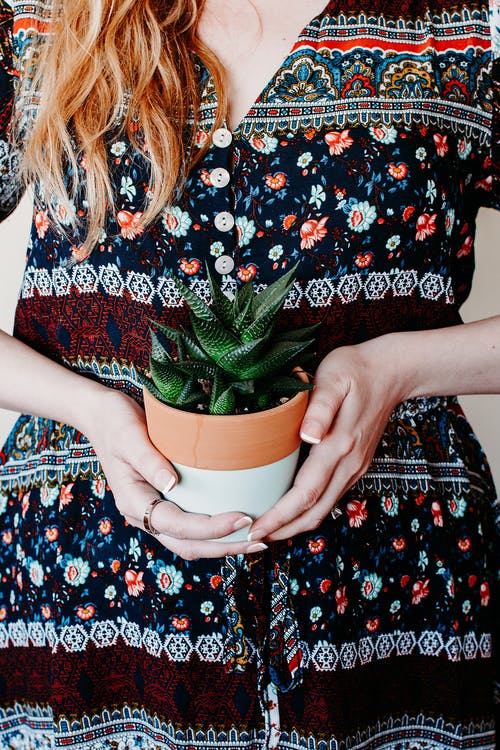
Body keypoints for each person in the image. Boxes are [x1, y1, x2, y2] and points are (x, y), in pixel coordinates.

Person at [0, 0, 499, 747]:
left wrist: (397, 368)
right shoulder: (33, 21)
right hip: (83, 601)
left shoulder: (467, 28)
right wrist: (89, 411)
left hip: (393, 596)